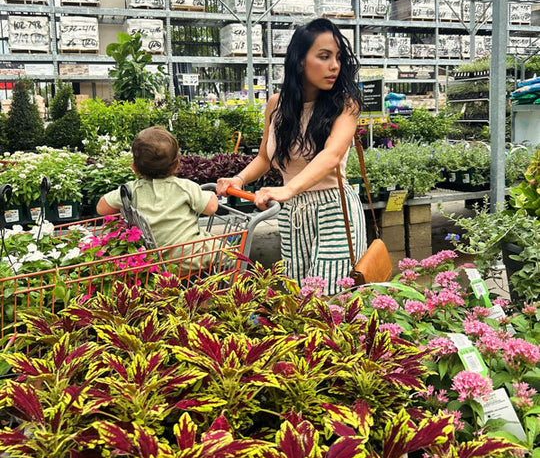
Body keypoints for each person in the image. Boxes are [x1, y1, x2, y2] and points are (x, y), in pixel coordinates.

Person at [217, 18, 366, 294]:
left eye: (338, 58)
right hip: (291, 215)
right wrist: (237, 179)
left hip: (334, 209)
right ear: (300, 61)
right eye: (324, 56)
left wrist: (288, 189)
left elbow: (331, 155)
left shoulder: (346, 105)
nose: (334, 65)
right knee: (297, 295)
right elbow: (265, 157)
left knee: (328, 296)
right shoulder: (276, 104)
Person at [97, 126, 219, 256]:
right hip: (192, 255)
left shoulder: (131, 190)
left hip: (155, 259)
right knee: (228, 250)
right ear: (177, 165)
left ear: (134, 167)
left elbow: (101, 208)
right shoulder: (185, 187)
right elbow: (211, 208)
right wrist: (211, 195)